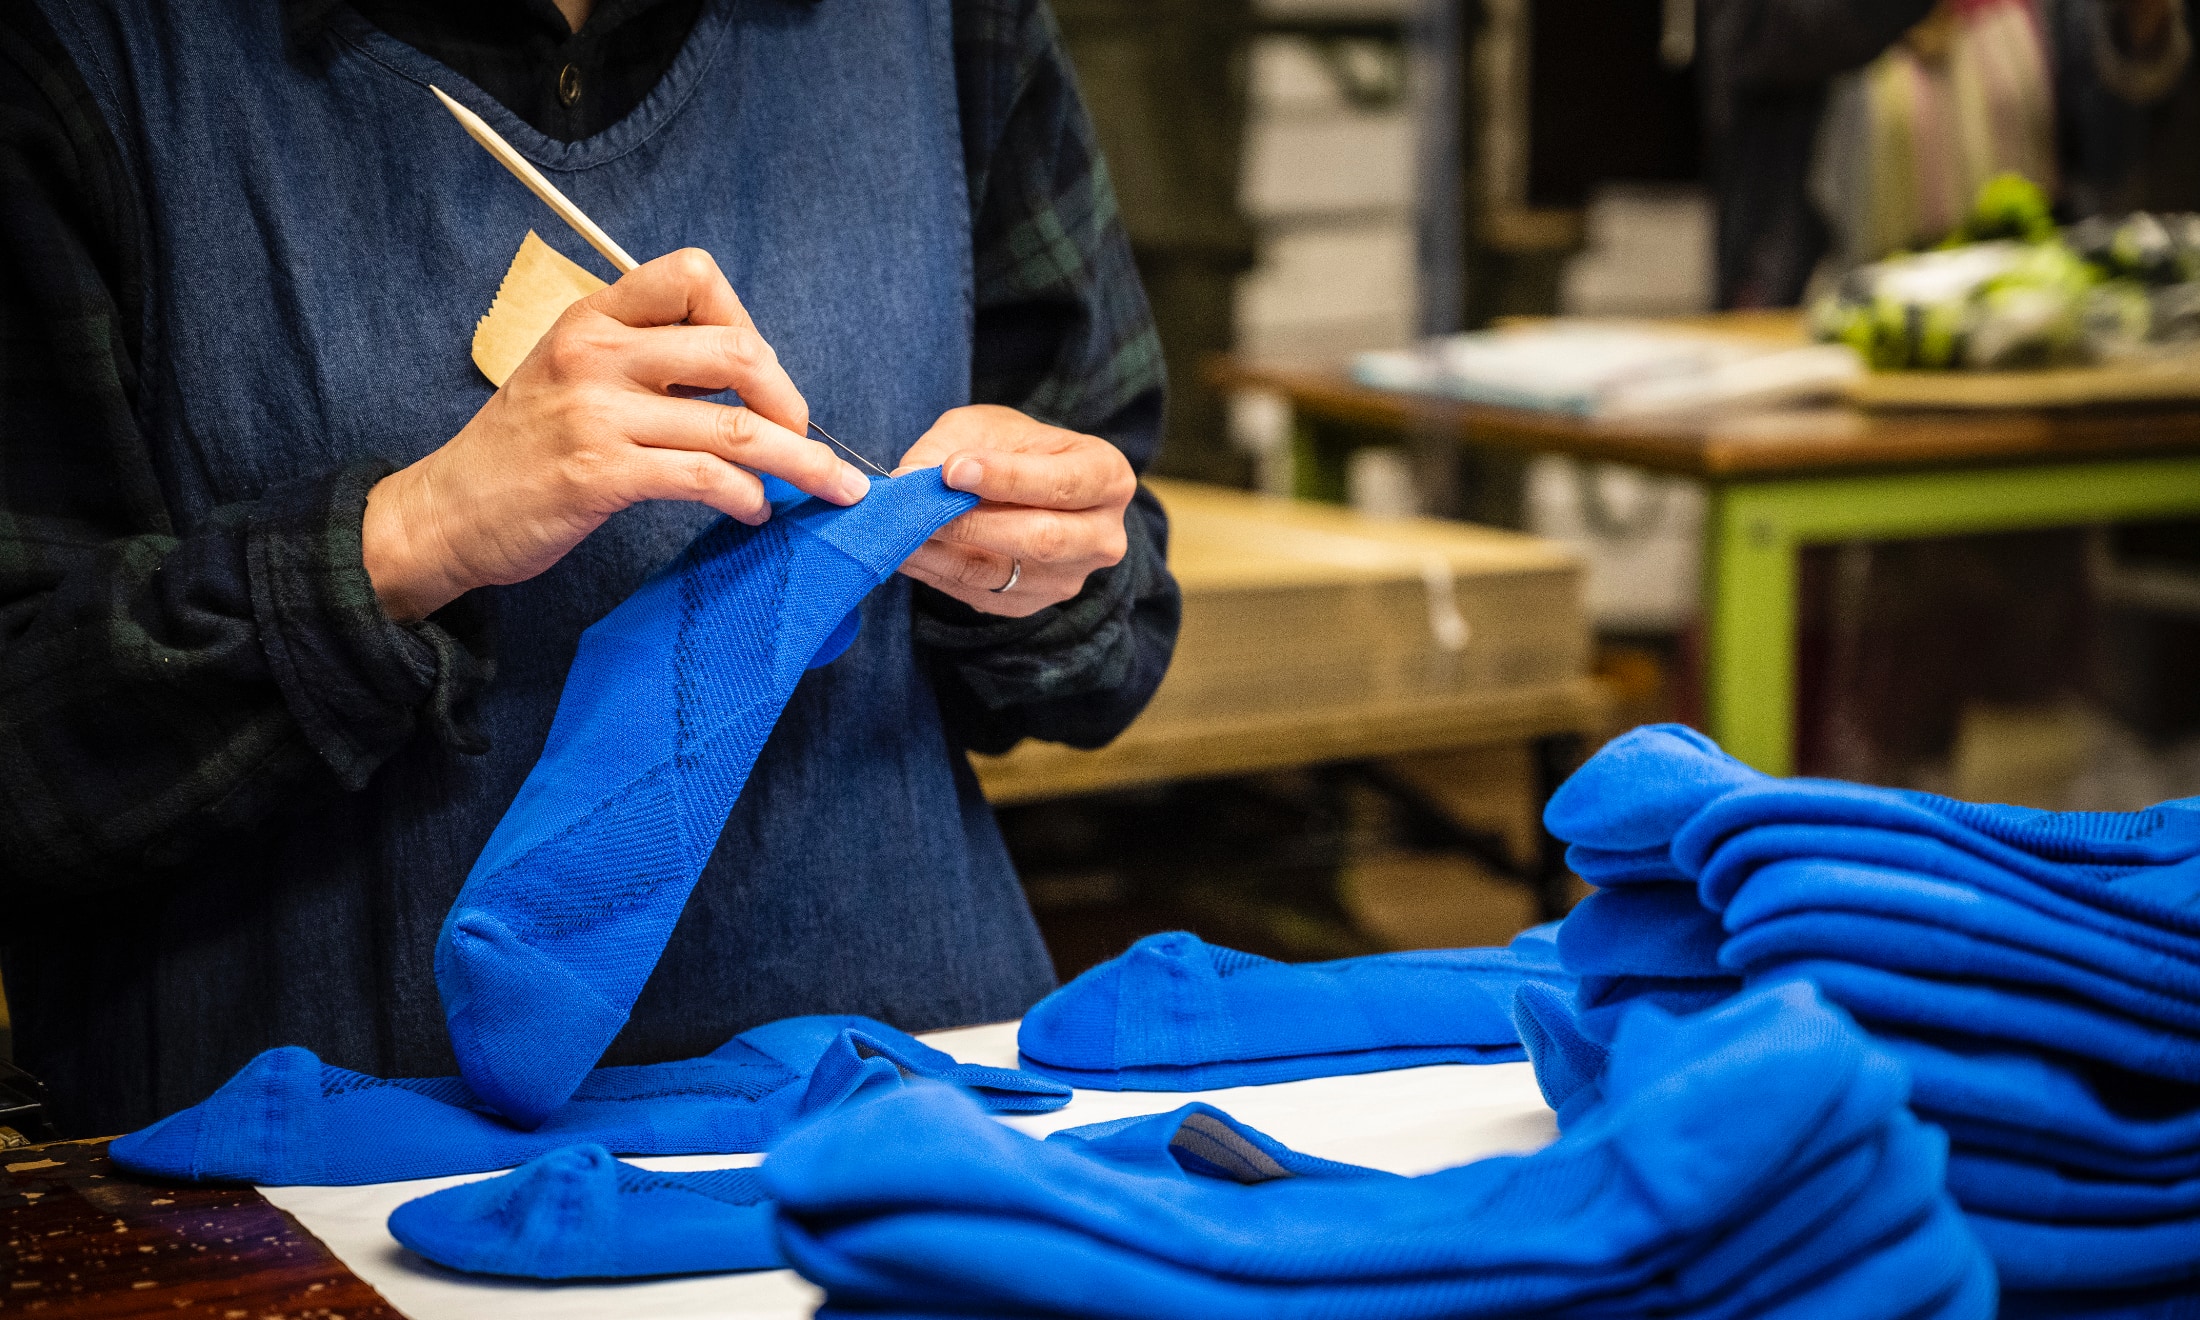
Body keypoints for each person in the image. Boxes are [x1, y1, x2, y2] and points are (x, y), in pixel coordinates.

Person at [0, 0, 1182, 1135]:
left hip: (909, 1122)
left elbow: (1110, 653)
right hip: (313, 1179)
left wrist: (1046, 559)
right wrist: (412, 536)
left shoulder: (953, 23)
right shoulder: (72, 46)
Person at [1700, 0, 2193, 307]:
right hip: (1816, 319)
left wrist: (2139, 25)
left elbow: (2108, 152)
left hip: (2024, 323)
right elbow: (1757, 35)